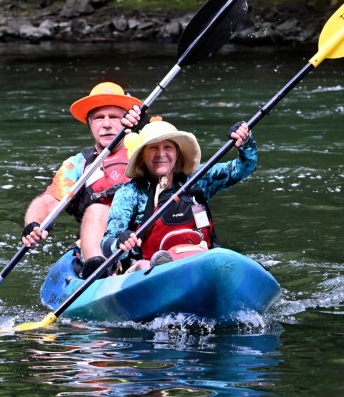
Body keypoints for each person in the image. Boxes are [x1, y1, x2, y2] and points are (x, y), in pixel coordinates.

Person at [21, 81, 147, 278]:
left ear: (127, 120)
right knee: (98, 209)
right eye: (99, 118)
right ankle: (100, 269)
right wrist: (33, 225)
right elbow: (48, 202)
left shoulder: (147, 150)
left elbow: (175, 169)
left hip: (145, 235)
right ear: (89, 124)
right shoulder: (78, 165)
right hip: (105, 245)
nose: (106, 124)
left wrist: (146, 128)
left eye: (114, 117)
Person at [100, 118, 256, 272]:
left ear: (177, 153)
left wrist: (246, 141)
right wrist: (120, 243)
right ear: (142, 156)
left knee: (208, 256)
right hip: (146, 273)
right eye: (153, 148)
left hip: (199, 262)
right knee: (143, 266)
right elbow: (108, 243)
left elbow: (244, 167)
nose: (161, 154)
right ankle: (161, 266)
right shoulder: (130, 193)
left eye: (167, 147)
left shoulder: (197, 180)